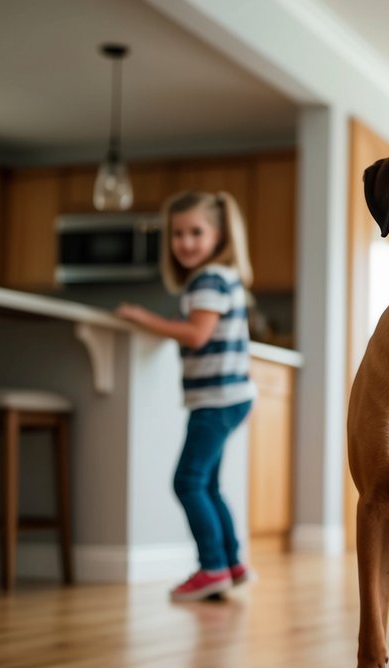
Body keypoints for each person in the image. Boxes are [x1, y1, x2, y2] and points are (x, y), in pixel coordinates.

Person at [116, 191, 257, 601]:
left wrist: (144, 318)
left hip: (216, 397)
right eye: (177, 234)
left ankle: (212, 567)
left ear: (218, 235)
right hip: (229, 395)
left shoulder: (208, 278)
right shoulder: (221, 276)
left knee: (188, 481)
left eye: (196, 232)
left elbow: (198, 334)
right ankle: (231, 563)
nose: (186, 242)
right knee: (207, 484)